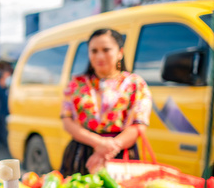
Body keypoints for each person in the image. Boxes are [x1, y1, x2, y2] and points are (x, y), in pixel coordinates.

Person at [60, 28, 152, 176]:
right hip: (82, 153)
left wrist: (108, 149)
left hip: (121, 156)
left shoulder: (136, 84)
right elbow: (67, 120)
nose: (100, 56)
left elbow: (139, 124)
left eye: (106, 49)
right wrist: (99, 143)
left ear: (120, 52)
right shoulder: (76, 84)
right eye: (94, 51)